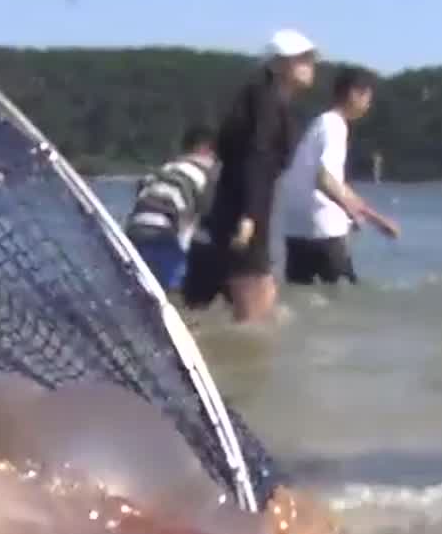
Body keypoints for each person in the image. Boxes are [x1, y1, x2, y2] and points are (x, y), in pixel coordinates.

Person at [182, 29, 318, 323]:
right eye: (301, 58)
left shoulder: (266, 102)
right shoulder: (265, 102)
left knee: (229, 319)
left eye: (310, 58)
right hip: (243, 218)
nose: (310, 64)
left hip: (227, 215)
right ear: (277, 65)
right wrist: (250, 216)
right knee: (255, 323)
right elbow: (257, 159)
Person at [278, 66, 399, 285]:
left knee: (303, 298)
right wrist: (351, 211)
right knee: (345, 297)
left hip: (296, 229)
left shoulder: (319, 123)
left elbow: (336, 183)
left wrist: (375, 219)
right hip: (324, 230)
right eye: (367, 97)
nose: (368, 105)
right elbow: (324, 180)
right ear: (354, 93)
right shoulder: (335, 125)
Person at [122, 126, 217, 293]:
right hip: (164, 235)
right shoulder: (206, 172)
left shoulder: (166, 169)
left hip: (133, 232)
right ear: (206, 149)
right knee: (173, 291)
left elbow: (142, 187)